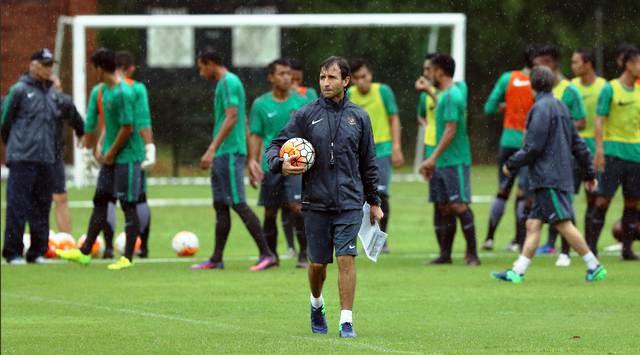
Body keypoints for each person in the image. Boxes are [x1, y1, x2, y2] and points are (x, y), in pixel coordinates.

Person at [265, 56, 382, 338]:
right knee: (317, 265)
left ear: (345, 81)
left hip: (349, 202)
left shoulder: (359, 117)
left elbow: (368, 162)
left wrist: (375, 202)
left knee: (346, 258)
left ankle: (346, 321)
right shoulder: (305, 115)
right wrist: (280, 164)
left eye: (331, 77)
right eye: (322, 77)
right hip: (316, 202)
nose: (325, 83)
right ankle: (316, 304)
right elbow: (275, 146)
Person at [491, 66, 607, 283]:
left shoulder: (540, 108)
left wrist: (511, 163)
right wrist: (589, 172)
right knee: (532, 224)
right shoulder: (561, 106)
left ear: (532, 86)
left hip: (548, 178)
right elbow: (578, 143)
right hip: (556, 176)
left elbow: (533, 147)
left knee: (563, 223)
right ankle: (518, 272)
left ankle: (594, 265)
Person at [56, 47, 144, 270]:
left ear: (99, 67)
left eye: (93, 67)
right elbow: (99, 125)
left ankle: (127, 258)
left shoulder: (123, 92)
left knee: (128, 204)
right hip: (110, 158)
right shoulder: (102, 91)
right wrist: (92, 148)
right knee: (101, 201)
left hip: (127, 157)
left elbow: (127, 128)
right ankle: (85, 252)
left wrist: (111, 152)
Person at [191, 49, 276, 271]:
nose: (201, 72)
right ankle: (216, 258)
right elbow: (243, 121)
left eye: (201, 67)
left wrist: (211, 149)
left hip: (228, 153)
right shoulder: (225, 84)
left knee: (238, 203)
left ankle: (267, 254)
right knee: (221, 205)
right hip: (226, 154)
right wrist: (250, 158)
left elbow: (232, 117)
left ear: (210, 63)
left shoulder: (228, 81)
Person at [418, 54, 480, 266]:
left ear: (440, 71)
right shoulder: (444, 96)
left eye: (431, 70)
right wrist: (433, 160)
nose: (428, 74)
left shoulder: (453, 95)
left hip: (455, 160)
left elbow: (451, 130)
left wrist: (431, 158)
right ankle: (445, 255)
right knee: (444, 206)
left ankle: (473, 254)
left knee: (459, 205)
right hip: (442, 161)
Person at [247, 58, 308, 268]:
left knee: (297, 207)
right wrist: (252, 162)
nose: (287, 77)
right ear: (271, 77)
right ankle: (270, 255)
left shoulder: (300, 102)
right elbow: (255, 135)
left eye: (288, 73)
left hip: (297, 163)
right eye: (281, 73)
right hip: (271, 164)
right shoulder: (261, 104)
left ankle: (304, 254)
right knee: (270, 210)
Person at [1, 48, 59, 264]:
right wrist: (17, 147)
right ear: (33, 65)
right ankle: (12, 252)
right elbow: (5, 122)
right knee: (17, 206)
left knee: (41, 206)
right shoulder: (19, 90)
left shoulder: (52, 93)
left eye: (50, 64)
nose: (48, 69)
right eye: (44, 64)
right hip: (22, 158)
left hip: (46, 158)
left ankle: (37, 251)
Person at [531, 44, 587, 256]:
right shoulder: (539, 91)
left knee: (564, 204)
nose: (536, 67)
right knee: (542, 206)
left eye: (540, 63)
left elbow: (580, 122)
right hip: (543, 159)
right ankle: (542, 250)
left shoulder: (568, 90)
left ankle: (568, 252)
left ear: (551, 64)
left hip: (564, 157)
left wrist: (557, 128)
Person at [554, 49, 607, 267]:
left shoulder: (604, 86)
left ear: (587, 64)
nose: (573, 65)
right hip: (571, 151)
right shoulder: (570, 87)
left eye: (576, 62)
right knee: (566, 199)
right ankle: (565, 252)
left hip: (593, 150)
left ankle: (591, 248)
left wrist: (601, 149)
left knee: (593, 200)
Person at [482, 46, 535, 252]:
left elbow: (488, 107)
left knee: (503, 189)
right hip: (528, 143)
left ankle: (489, 238)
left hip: (507, 141)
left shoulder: (508, 78)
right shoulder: (541, 82)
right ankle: (518, 241)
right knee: (523, 193)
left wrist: (507, 107)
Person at [588, 47, 640, 260]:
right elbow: (599, 121)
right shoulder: (610, 89)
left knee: (632, 203)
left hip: (635, 155)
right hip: (613, 153)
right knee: (602, 202)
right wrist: (599, 150)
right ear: (628, 65)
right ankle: (590, 250)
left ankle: (627, 250)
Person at [347, 58, 403, 254]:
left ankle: (381, 241)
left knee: (380, 194)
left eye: (365, 76)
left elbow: (393, 118)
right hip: (356, 151)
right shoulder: (349, 94)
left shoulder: (383, 91)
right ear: (351, 79)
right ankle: (353, 238)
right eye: (357, 77)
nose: (362, 81)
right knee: (355, 195)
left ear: (370, 74)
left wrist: (396, 146)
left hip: (382, 149)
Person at [116, 50, 155, 258]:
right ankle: (143, 246)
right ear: (131, 68)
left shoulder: (107, 89)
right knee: (138, 198)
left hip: (114, 152)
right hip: (135, 151)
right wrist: (150, 146)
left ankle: (107, 249)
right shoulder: (137, 88)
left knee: (107, 199)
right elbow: (142, 120)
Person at [50, 75, 85, 234]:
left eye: (60, 88)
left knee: (61, 198)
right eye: (56, 88)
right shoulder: (26, 98)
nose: (60, 92)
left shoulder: (63, 103)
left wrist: (82, 134)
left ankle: (66, 241)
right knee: (32, 201)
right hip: (32, 158)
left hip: (54, 156)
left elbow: (77, 121)